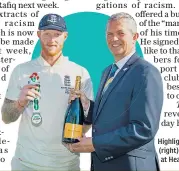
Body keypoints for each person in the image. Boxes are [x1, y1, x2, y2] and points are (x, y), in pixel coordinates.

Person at [68, 12, 163, 171]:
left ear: (135, 37)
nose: (114, 39)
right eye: (110, 34)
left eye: (120, 33)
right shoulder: (107, 72)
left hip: (130, 165)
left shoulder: (145, 72)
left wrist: (95, 143)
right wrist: (86, 106)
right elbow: (109, 116)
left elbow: (144, 128)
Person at [1, 13, 93, 171]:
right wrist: (20, 103)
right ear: (38, 35)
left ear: (65, 36)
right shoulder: (21, 70)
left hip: (66, 164)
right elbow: (6, 117)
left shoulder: (80, 73)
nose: (52, 40)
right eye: (47, 34)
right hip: (26, 163)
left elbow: (87, 123)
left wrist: (83, 111)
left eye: (57, 35)